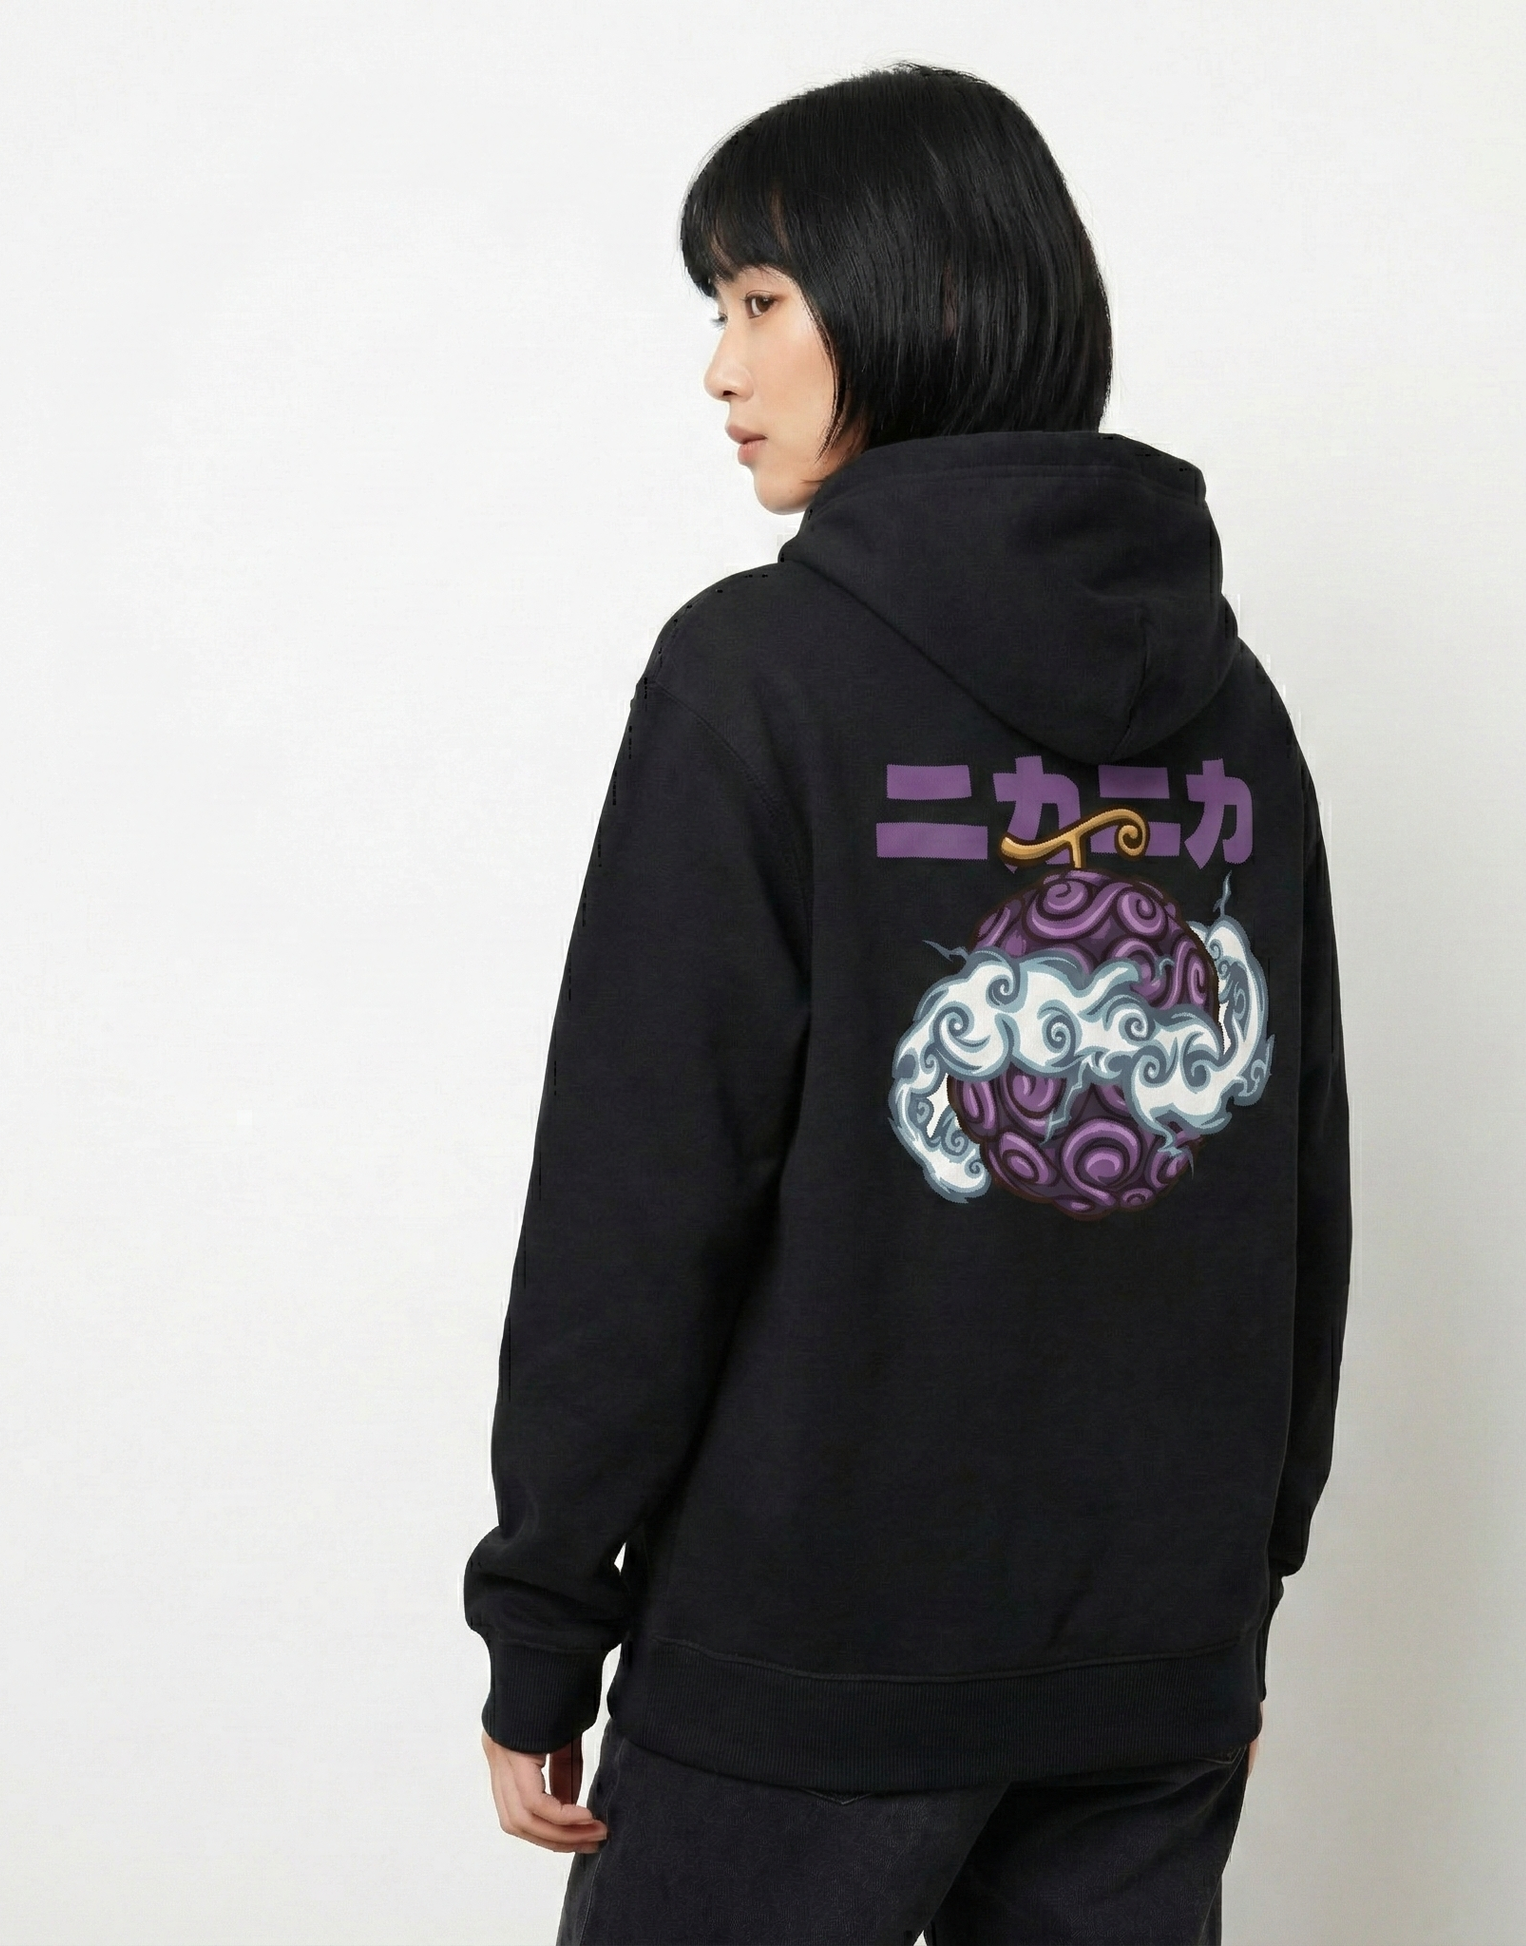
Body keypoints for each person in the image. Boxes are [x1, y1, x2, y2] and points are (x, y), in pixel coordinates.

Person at [463, 63, 1351, 1946]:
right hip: (1146, 1668)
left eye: (758, 300)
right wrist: (1229, 1603)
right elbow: (1295, 1183)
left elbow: (643, 1181)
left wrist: (543, 1611)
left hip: (806, 1667)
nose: (720, 369)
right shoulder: (1232, 707)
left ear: (917, 295)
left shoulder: (759, 675)